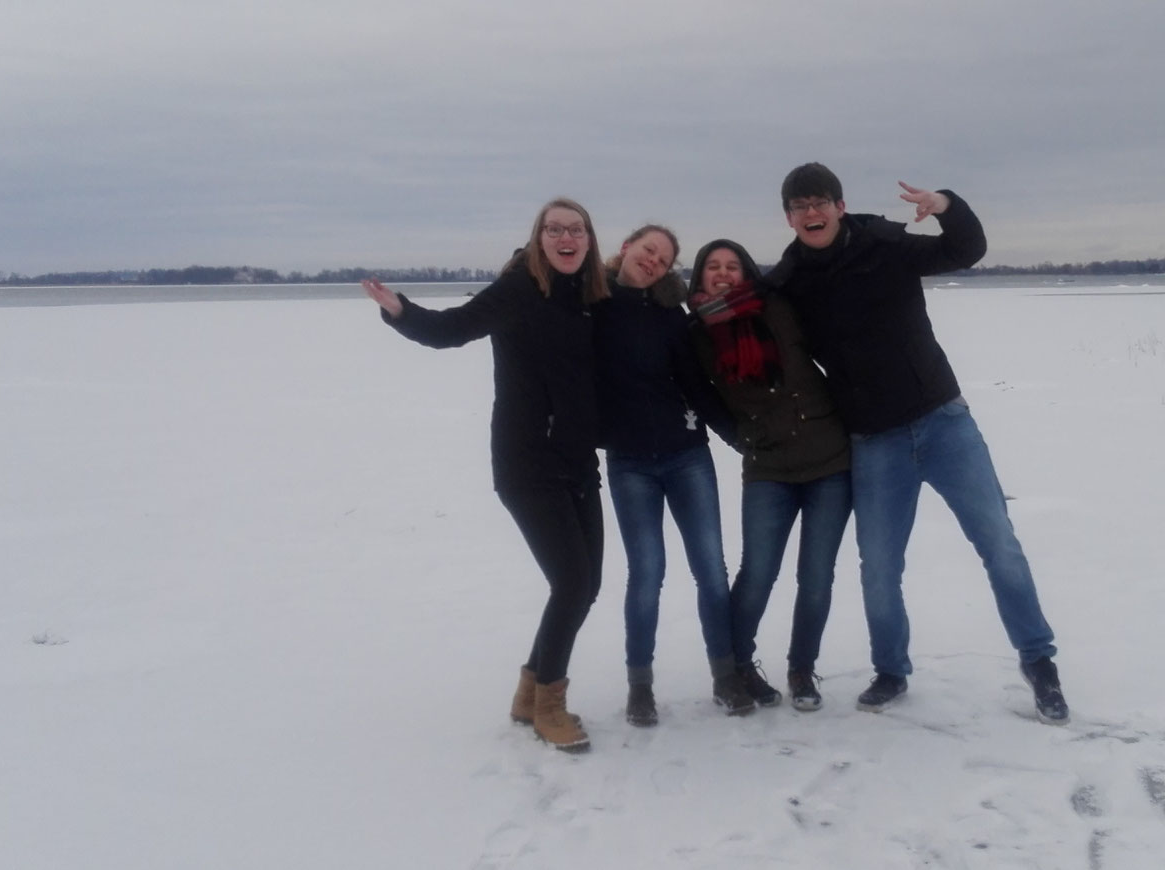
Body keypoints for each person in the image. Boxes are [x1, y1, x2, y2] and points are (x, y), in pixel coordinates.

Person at [763, 163, 1070, 723]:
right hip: (873, 439)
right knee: (878, 566)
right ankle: (891, 670)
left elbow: (965, 250)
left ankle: (1039, 661)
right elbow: (757, 329)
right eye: (800, 205)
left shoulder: (885, 243)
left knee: (998, 543)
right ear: (788, 216)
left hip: (943, 420)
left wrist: (947, 204)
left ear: (838, 204)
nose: (812, 213)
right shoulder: (789, 282)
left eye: (821, 202)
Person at [360, 198, 609, 753]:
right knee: (571, 584)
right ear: (539, 238)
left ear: (589, 240)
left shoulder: (593, 298)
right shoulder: (519, 291)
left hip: (577, 463)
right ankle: (549, 704)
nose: (566, 237)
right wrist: (400, 310)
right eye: (554, 229)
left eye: (576, 229)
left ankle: (527, 692)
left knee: (585, 585)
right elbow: (451, 330)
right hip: (526, 464)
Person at [686, 239, 853, 712]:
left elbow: (832, 350)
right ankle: (737, 667)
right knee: (758, 572)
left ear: (746, 273)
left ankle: (802, 669)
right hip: (767, 467)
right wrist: (740, 437)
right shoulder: (695, 334)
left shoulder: (779, 306)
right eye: (712, 266)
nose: (723, 273)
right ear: (699, 277)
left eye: (732, 266)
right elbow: (704, 399)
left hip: (829, 460)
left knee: (816, 576)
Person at [594, 224, 749, 726]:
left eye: (662, 259)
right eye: (647, 251)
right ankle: (640, 687)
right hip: (629, 462)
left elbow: (696, 386)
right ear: (626, 249)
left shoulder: (672, 316)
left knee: (711, 570)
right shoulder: (593, 304)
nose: (653, 261)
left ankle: (725, 677)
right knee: (647, 574)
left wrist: (737, 437)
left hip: (686, 457)